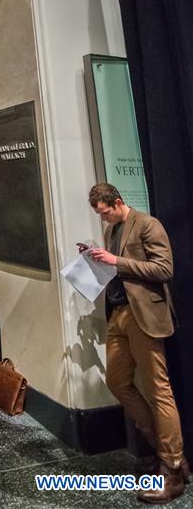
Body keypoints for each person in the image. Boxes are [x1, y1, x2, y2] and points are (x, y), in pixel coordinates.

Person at [86, 183, 189, 504]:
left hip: (144, 315)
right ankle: (161, 449)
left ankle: (172, 468)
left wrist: (116, 261)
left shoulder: (147, 224)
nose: (103, 219)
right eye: (99, 215)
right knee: (117, 382)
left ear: (117, 202)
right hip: (118, 314)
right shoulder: (112, 231)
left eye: (105, 212)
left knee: (159, 389)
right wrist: (95, 261)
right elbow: (114, 267)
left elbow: (164, 269)